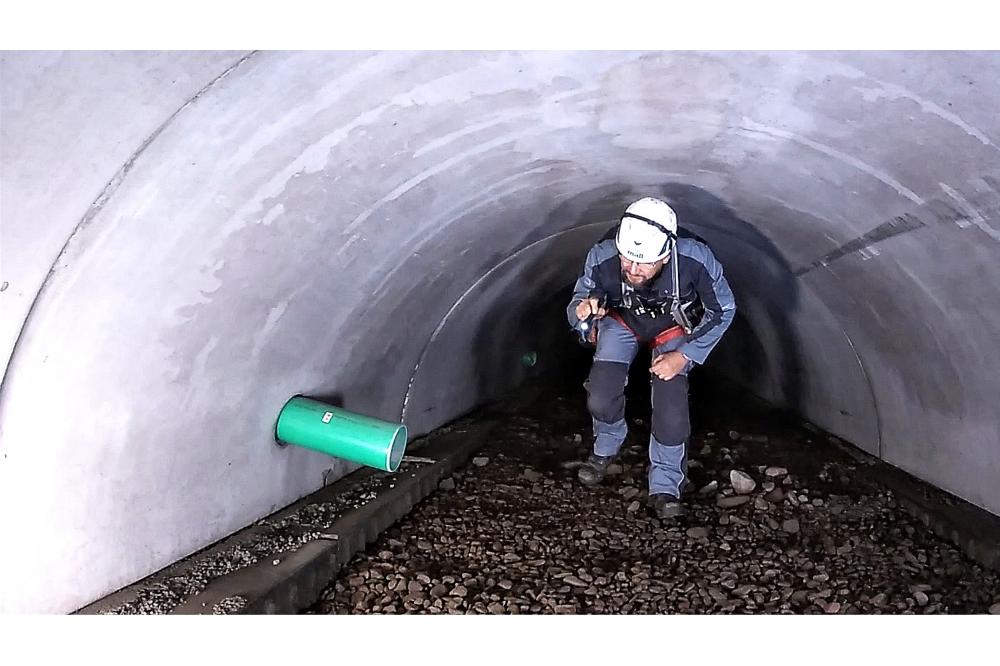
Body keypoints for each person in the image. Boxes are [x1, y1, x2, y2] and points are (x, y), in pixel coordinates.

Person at [566, 197, 736, 519]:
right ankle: (608, 444)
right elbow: (579, 303)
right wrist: (584, 318)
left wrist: (684, 356)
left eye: (643, 264)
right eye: (627, 260)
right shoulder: (602, 256)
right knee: (600, 396)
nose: (632, 270)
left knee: (672, 412)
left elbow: (723, 310)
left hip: (672, 329)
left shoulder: (696, 259)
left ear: (666, 254)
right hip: (622, 320)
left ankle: (665, 485)